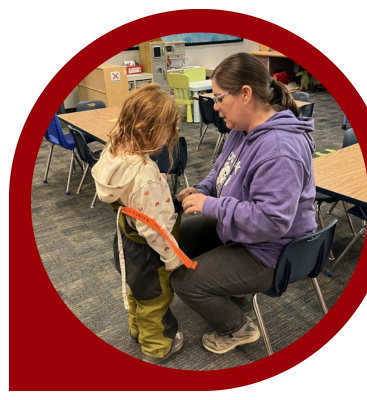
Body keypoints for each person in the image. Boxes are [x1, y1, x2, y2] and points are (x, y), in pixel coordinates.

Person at [171, 52, 318, 355]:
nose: (215, 107)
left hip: (272, 250)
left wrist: (210, 205)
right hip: (243, 228)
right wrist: (201, 190)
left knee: (184, 282)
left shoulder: (279, 149)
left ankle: (238, 328)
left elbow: (272, 221)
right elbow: (221, 170)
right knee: (172, 240)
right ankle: (227, 286)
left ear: (246, 94)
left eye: (220, 98)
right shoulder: (241, 129)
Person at [92, 83, 184, 364]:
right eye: (169, 129)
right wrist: (171, 257)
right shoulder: (143, 172)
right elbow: (153, 227)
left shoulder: (113, 151)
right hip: (149, 250)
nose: (172, 135)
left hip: (125, 241)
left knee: (136, 290)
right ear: (146, 129)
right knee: (155, 300)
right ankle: (157, 347)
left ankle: (137, 331)